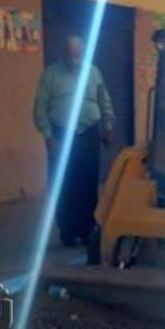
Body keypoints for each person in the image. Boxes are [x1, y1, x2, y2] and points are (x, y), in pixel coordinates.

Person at [33, 35, 115, 247]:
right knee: (64, 185)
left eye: (78, 56)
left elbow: (104, 100)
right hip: (62, 135)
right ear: (62, 55)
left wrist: (108, 126)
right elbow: (40, 108)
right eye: (70, 56)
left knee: (88, 183)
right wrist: (49, 138)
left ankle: (87, 230)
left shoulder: (94, 72)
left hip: (89, 134)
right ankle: (68, 232)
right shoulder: (50, 75)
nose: (74, 60)